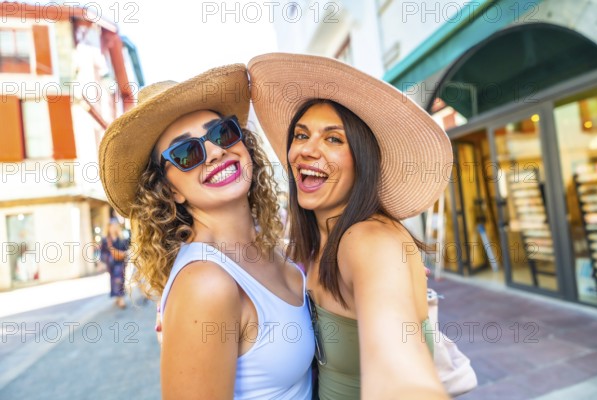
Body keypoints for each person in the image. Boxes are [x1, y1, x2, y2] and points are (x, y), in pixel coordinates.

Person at [99, 65, 314, 399]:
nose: (215, 152)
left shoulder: (266, 247)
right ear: (170, 191)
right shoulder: (205, 284)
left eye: (222, 134)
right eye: (187, 153)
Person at [249, 53, 453, 400]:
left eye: (333, 139)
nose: (307, 150)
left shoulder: (369, 240)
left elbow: (401, 371)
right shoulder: (312, 246)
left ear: (363, 161)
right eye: (301, 135)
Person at [100, 217, 129, 308]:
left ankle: (120, 298)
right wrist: (104, 262)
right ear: (108, 227)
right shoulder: (105, 240)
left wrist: (124, 255)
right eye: (111, 226)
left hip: (120, 263)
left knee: (120, 280)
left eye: (115, 226)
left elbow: (126, 250)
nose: (113, 227)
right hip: (111, 264)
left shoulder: (121, 238)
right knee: (114, 280)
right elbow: (103, 253)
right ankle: (119, 298)